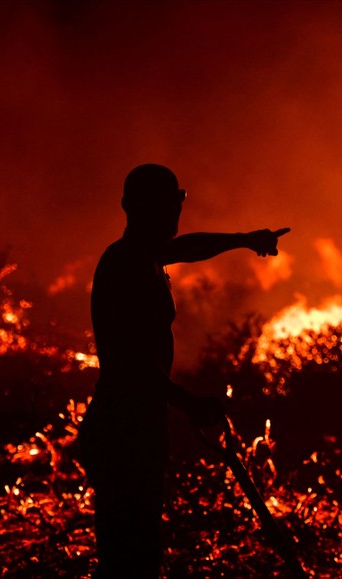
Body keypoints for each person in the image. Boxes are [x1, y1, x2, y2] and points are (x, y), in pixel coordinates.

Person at [78, 163, 289, 578]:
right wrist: (189, 403)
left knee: (138, 554)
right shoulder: (127, 265)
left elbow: (189, 247)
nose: (175, 212)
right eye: (168, 202)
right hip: (123, 428)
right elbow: (131, 364)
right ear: (137, 207)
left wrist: (244, 241)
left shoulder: (142, 255)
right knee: (129, 560)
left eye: (177, 201)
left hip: (135, 424)